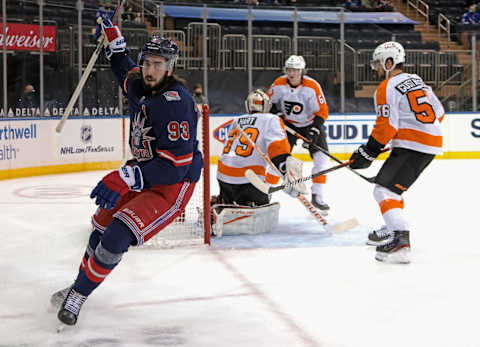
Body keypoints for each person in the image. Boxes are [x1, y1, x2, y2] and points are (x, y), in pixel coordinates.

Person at [50, 10, 204, 326]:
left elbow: (175, 168)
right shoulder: (141, 83)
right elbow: (123, 68)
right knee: (99, 231)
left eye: (157, 65)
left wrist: (128, 175)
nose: (149, 69)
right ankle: (79, 286)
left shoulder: (176, 103)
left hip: (171, 186)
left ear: (170, 68)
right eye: (147, 62)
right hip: (144, 171)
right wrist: (113, 38)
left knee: (117, 236)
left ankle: (77, 298)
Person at [348, 41, 444, 264]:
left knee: (383, 192)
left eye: (380, 64)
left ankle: (401, 242)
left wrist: (368, 151)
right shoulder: (418, 81)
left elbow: (386, 125)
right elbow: (439, 112)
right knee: (393, 190)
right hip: (428, 142)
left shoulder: (387, 86)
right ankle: (392, 229)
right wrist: (412, 133)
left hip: (414, 144)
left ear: (389, 63)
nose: (377, 69)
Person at [213, 89, 305, 236]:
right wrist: (285, 170)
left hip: (223, 177)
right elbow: (277, 149)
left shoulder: (236, 120)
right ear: (266, 106)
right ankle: (249, 203)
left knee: (257, 186)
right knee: (264, 201)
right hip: (249, 180)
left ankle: (224, 200)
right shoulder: (272, 119)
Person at [266, 55, 330, 214]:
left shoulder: (312, 86)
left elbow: (322, 111)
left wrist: (315, 130)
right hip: (288, 126)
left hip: (310, 124)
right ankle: (264, 193)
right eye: (289, 70)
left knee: (322, 158)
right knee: (278, 159)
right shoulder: (279, 83)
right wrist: (277, 113)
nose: (292, 73)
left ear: (302, 71)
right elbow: (268, 102)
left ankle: (317, 195)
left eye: (295, 70)